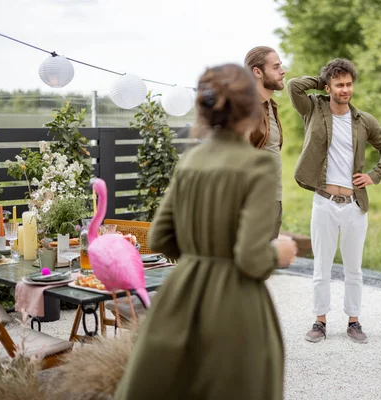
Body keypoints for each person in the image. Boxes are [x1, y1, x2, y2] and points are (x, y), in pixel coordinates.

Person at [115, 63, 298, 399]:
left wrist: (200, 257)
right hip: (236, 305)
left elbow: (159, 237)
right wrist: (281, 251)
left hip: (182, 295)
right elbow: (251, 258)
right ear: (252, 111)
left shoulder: (190, 162)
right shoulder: (258, 165)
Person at [287, 58, 381, 344]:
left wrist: (373, 175)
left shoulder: (363, 121)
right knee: (321, 267)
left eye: (349, 84)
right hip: (324, 202)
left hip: (353, 206)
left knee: (354, 268)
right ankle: (320, 321)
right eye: (339, 84)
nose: (345, 89)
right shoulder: (313, 108)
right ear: (329, 86)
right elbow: (293, 86)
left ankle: (354, 321)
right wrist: (321, 79)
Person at [244, 46, 286, 238]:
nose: (282, 71)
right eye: (276, 67)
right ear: (258, 72)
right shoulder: (247, 108)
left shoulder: (270, 106)